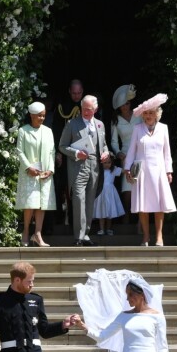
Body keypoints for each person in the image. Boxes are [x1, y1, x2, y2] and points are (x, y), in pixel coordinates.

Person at [0, 261, 76, 352]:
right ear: (17, 280)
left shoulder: (36, 299)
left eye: (32, 281)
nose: (32, 285)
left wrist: (63, 325)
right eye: (29, 281)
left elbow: (44, 331)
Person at [72, 270, 169, 352]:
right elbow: (102, 336)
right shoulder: (123, 316)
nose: (127, 298)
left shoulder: (157, 316)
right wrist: (81, 324)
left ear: (142, 295)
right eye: (127, 295)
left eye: (130, 294)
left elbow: (162, 348)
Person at [123, 94, 176, 247]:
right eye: (145, 113)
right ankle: (146, 236)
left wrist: (168, 171)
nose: (148, 116)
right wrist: (127, 169)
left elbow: (167, 152)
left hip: (159, 171)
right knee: (143, 205)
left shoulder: (163, 128)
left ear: (157, 114)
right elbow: (131, 150)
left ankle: (159, 237)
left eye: (151, 113)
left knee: (159, 205)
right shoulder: (137, 129)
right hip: (142, 172)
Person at [59, 94, 110, 246]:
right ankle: (78, 236)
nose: (86, 112)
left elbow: (104, 144)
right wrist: (76, 153)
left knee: (89, 201)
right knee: (78, 200)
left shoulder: (100, 124)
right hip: (78, 166)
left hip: (95, 166)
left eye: (89, 109)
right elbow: (62, 146)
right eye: (83, 109)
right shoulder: (72, 124)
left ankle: (86, 235)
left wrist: (106, 152)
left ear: (96, 109)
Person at [15, 101, 56, 247]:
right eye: (39, 116)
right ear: (32, 116)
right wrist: (28, 167)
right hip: (29, 173)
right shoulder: (23, 131)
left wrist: (51, 169)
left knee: (42, 204)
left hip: (44, 173)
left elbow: (52, 152)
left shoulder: (48, 131)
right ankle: (26, 231)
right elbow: (19, 151)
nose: (42, 118)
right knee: (30, 203)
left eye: (44, 115)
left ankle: (37, 234)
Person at [51, 79, 84, 225]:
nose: (77, 96)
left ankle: (77, 221)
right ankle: (59, 219)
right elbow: (57, 130)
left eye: (79, 93)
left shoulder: (87, 106)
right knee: (61, 185)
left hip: (82, 153)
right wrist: (58, 152)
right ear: (70, 91)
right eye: (74, 93)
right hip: (65, 153)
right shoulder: (62, 107)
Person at [111, 84, 142, 223]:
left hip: (140, 153)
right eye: (122, 104)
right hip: (126, 156)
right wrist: (118, 154)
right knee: (127, 190)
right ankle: (126, 220)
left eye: (127, 103)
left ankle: (141, 223)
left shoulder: (139, 116)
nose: (125, 107)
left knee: (141, 188)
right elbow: (113, 142)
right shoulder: (115, 120)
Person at [93, 159, 125, 235]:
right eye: (105, 163)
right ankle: (101, 229)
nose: (107, 164)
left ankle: (108, 229)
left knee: (110, 211)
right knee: (101, 211)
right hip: (101, 192)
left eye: (109, 162)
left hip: (110, 192)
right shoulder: (99, 170)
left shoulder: (113, 170)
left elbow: (124, 171)